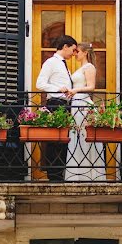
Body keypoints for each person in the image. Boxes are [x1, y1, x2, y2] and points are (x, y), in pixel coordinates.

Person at [34, 35, 77, 181]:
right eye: (72, 49)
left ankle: (60, 173)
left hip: (65, 105)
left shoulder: (64, 65)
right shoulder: (51, 62)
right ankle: (53, 175)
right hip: (55, 104)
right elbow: (39, 84)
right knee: (54, 141)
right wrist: (59, 89)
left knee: (62, 140)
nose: (73, 53)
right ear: (65, 46)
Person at [65, 42, 107, 181]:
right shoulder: (81, 67)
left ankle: (89, 174)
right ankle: (76, 174)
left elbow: (91, 87)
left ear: (85, 53)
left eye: (77, 51)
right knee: (77, 135)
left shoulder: (89, 67)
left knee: (84, 135)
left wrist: (75, 90)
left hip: (83, 102)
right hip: (76, 102)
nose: (75, 53)